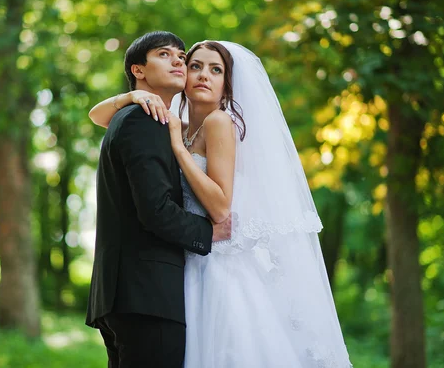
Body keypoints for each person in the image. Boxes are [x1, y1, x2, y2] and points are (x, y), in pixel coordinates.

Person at [89, 40, 353, 367]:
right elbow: (98, 116)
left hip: (215, 260)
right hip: (185, 259)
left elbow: (221, 208)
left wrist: (179, 148)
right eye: (195, 66)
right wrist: (130, 95)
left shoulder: (217, 122)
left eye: (216, 70)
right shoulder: (178, 124)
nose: (203, 75)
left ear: (227, 84)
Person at [85, 31, 232, 368]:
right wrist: (209, 232)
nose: (178, 61)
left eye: (181, 56)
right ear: (139, 69)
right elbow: (155, 210)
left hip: (127, 294)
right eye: (165, 55)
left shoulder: (145, 119)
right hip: (146, 295)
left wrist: (125, 98)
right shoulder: (145, 120)